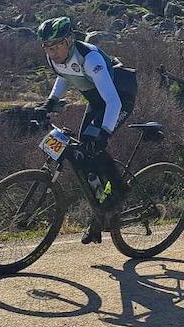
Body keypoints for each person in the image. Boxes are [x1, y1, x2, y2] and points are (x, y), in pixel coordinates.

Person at [35, 16, 137, 244]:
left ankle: (119, 191)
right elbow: (65, 76)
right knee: (83, 154)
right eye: (47, 47)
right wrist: (51, 101)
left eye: (56, 45)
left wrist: (104, 133)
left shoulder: (90, 59)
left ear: (69, 40)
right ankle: (100, 215)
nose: (52, 52)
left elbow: (113, 102)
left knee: (95, 146)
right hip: (97, 101)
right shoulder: (55, 58)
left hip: (119, 98)